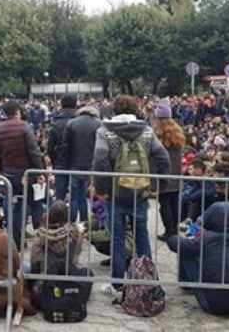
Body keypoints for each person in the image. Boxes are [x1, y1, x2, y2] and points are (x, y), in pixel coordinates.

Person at [92, 95, 170, 297]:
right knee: (142, 236)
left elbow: (100, 161)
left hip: (114, 194)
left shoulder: (104, 131)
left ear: (114, 110)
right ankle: (149, 282)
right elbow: (163, 158)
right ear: (136, 109)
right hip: (140, 192)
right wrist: (157, 185)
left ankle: (117, 285)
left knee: (117, 239)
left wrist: (102, 190)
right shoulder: (146, 131)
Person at [167, 202, 229, 314]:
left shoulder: (207, 240)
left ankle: (186, 284)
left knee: (187, 252)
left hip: (215, 305)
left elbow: (174, 243)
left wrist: (176, 235)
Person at [0, 100, 44, 249]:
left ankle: (17, 242)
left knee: (13, 207)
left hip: (8, 175)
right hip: (27, 174)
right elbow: (34, 152)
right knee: (36, 205)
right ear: (18, 111)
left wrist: (4, 169)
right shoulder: (24, 127)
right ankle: (42, 240)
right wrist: (40, 172)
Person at [59, 105, 102, 223]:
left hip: (75, 166)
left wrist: (64, 164)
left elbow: (65, 146)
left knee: (74, 196)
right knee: (89, 196)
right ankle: (86, 223)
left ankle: (72, 222)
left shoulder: (71, 123)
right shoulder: (99, 123)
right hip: (92, 167)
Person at [151, 102, 186, 241]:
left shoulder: (157, 134)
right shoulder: (178, 132)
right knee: (174, 202)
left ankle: (169, 231)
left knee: (164, 204)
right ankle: (174, 229)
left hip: (162, 172)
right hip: (176, 172)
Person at [46, 95, 77, 202]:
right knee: (76, 195)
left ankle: (59, 216)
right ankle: (75, 218)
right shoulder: (79, 120)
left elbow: (50, 146)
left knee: (60, 194)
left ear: (61, 105)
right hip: (77, 162)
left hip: (60, 161)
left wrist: (55, 161)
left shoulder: (55, 122)